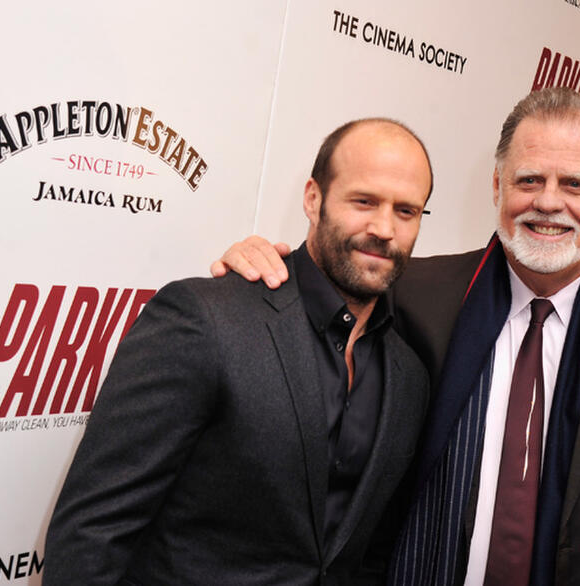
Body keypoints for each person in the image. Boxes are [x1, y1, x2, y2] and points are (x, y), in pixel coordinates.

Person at [210, 87, 580, 585]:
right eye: (528, 180)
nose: (547, 202)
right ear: (497, 186)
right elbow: (311, 314)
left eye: (574, 185)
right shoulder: (409, 292)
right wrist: (260, 271)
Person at [43, 118, 435, 585]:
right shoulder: (205, 319)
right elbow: (93, 530)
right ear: (313, 199)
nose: (385, 228)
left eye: (406, 211)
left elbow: (366, 554)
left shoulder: (409, 376)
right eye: (364, 201)